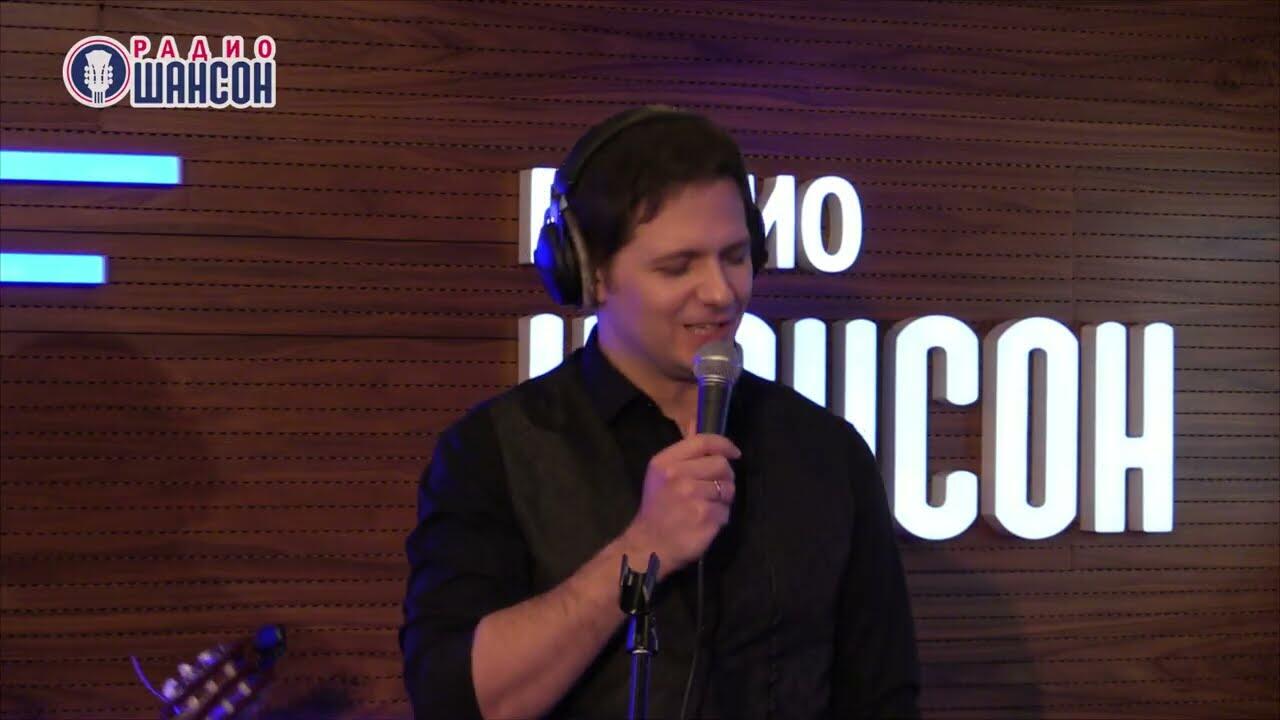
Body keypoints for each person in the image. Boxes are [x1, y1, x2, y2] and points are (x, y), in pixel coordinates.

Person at [400, 106, 920, 719]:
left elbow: (882, 694)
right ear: (590, 273)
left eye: (735, 256)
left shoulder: (826, 452)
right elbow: (458, 699)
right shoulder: (495, 451)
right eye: (678, 266)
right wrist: (643, 548)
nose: (721, 293)